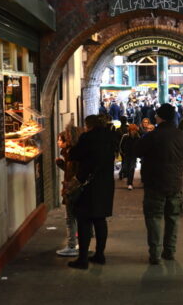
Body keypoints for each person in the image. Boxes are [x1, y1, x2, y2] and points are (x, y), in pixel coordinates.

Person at [136, 103, 183, 265]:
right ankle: (170, 251)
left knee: (154, 218)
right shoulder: (182, 136)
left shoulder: (152, 136)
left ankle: (155, 254)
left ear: (160, 117)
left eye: (157, 115)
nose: (154, 117)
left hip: (154, 183)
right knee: (173, 218)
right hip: (175, 183)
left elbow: (137, 151)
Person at [67, 115, 116, 269]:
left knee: (84, 220)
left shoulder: (87, 137)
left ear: (89, 125)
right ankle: (100, 254)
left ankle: (83, 259)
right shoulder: (111, 136)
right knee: (100, 219)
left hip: (88, 183)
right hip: (106, 182)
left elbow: (74, 155)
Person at [55, 126, 81, 256]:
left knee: (70, 218)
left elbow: (73, 173)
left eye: (60, 140)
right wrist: (61, 165)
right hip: (74, 188)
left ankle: (72, 246)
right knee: (74, 218)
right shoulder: (70, 153)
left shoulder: (72, 154)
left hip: (73, 190)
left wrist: (68, 187)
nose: (58, 142)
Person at [120, 124, 140, 190]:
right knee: (125, 168)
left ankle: (130, 183)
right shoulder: (125, 136)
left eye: (134, 130)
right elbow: (121, 145)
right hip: (126, 155)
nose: (133, 131)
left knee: (132, 168)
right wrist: (123, 153)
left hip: (133, 156)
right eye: (132, 130)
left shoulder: (138, 137)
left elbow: (139, 146)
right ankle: (122, 173)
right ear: (129, 130)